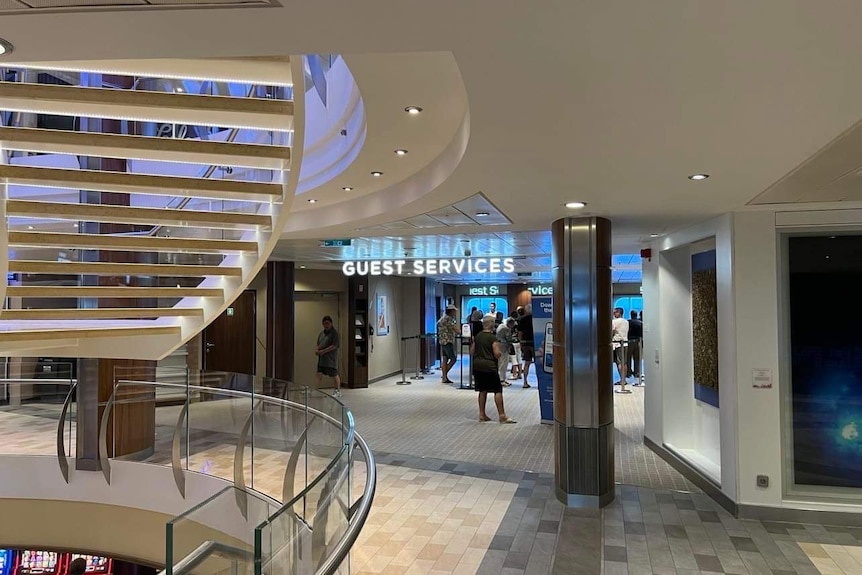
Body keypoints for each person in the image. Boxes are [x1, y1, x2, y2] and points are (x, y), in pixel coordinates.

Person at [472, 315, 516, 423]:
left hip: (478, 366)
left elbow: (472, 351)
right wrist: (500, 354)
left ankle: (482, 414)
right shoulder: (492, 338)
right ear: (492, 325)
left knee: (482, 390)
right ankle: (502, 415)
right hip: (490, 367)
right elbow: (497, 354)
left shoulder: (478, 336)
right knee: (497, 390)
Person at [315, 315, 341, 397]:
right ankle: (315, 389)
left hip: (331, 359)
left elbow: (334, 346)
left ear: (331, 323)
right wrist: (317, 350)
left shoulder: (334, 334)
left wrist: (324, 351)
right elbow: (318, 343)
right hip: (322, 359)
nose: (326, 325)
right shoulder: (322, 333)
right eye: (325, 323)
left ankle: (337, 391)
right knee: (319, 373)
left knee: (334, 374)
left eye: (328, 323)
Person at [437, 304, 459, 384]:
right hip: (447, 341)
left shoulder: (443, 318)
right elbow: (455, 329)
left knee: (445, 359)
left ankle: (444, 378)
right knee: (453, 359)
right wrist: (463, 332)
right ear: (451, 311)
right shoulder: (449, 319)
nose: (455, 312)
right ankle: (444, 375)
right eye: (454, 311)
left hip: (442, 341)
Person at [517, 303, 534, 388]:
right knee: (540, 363)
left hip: (525, 343)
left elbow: (520, 333)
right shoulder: (536, 319)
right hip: (535, 343)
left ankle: (525, 382)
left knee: (527, 363)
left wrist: (521, 343)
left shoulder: (522, 319)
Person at [496, 317, 516, 386]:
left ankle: (502, 379)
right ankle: (502, 380)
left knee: (500, 363)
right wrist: (514, 340)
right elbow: (509, 339)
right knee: (503, 364)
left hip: (498, 346)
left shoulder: (501, 326)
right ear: (510, 324)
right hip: (503, 348)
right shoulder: (506, 329)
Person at [612, 307, 629, 387]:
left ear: (619, 313)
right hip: (625, 343)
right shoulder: (626, 321)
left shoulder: (614, 321)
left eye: (615, 312)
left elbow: (612, 330)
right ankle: (623, 379)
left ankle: (622, 381)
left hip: (618, 344)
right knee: (624, 362)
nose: (613, 314)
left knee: (619, 362)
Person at [628, 310, 643, 381]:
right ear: (636, 315)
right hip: (638, 341)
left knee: (628, 357)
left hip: (629, 341)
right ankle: (637, 372)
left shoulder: (628, 322)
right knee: (637, 358)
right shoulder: (640, 323)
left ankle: (628, 372)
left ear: (631, 315)